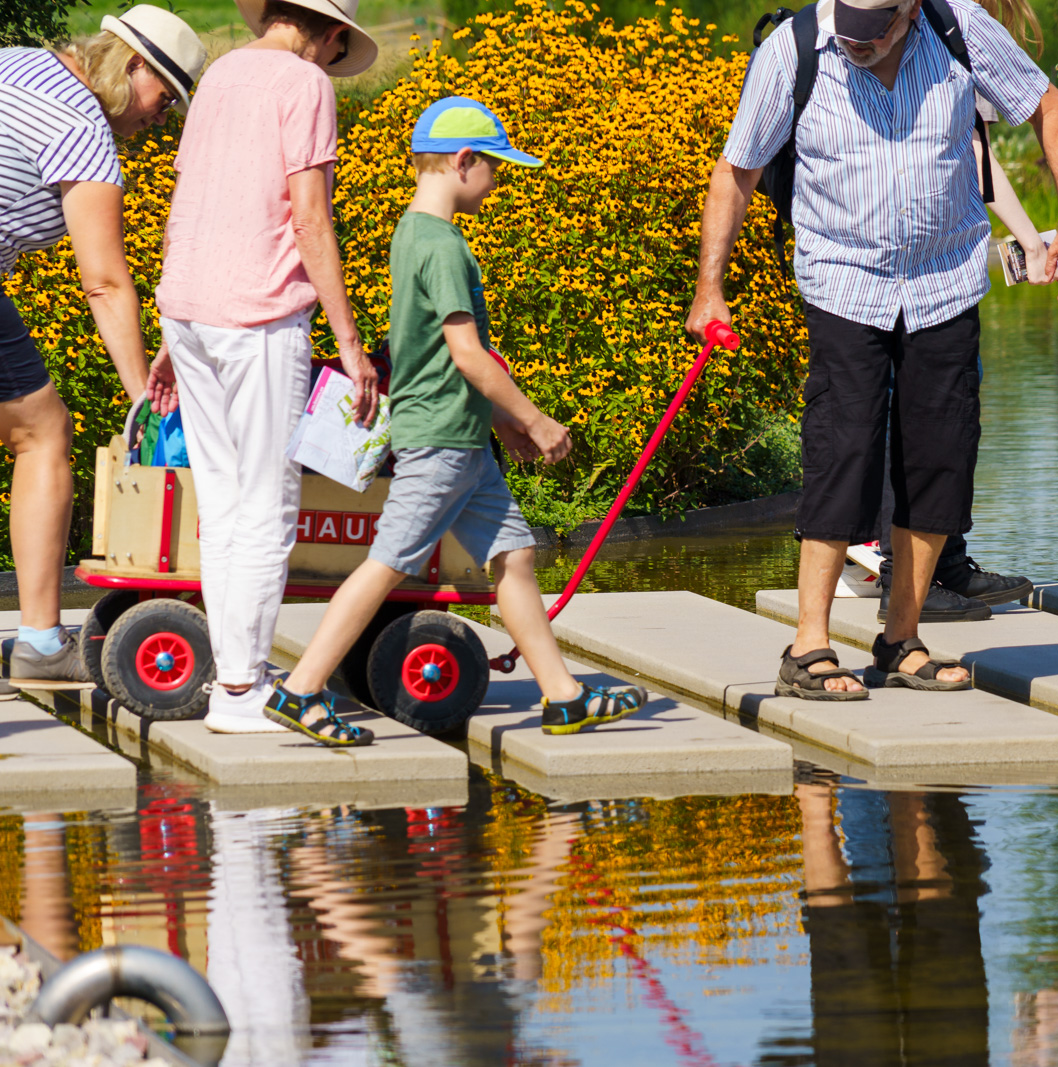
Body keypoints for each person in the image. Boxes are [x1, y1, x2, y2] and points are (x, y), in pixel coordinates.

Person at [688, 0, 1058, 698]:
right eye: (847, 29)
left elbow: (1048, 106)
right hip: (844, 282)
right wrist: (709, 287)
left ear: (907, 12)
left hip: (945, 282)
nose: (855, 45)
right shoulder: (795, 49)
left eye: (870, 35)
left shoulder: (958, 28)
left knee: (940, 458)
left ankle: (900, 637)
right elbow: (737, 170)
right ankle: (808, 643)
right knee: (842, 449)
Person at [266, 97, 647, 745]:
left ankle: (563, 698)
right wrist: (535, 417)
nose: (497, 182)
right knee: (386, 564)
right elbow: (468, 351)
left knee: (516, 556)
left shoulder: (412, 232)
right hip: (439, 442)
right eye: (493, 167)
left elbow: (437, 357)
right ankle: (300, 690)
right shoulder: (443, 248)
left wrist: (499, 424)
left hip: (461, 440)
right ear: (464, 161)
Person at [156, 0, 381, 734]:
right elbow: (309, 216)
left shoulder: (221, 73)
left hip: (188, 308)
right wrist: (347, 338)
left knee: (221, 507)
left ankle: (234, 676)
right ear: (333, 35)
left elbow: (186, 200)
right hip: (257, 314)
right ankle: (242, 690)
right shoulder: (303, 84)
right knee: (267, 509)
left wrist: (171, 328)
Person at [0, 6, 200, 695]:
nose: (161, 117)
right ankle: (38, 641)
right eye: (164, 97)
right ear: (133, 66)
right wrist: (146, 392)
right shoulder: (85, 130)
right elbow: (106, 282)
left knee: (35, 426)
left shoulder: (20, 62)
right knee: (44, 434)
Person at [870, 0, 1047, 625]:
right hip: (904, 270)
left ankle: (947, 562)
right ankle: (908, 575)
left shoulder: (951, 30)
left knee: (949, 418)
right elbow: (976, 156)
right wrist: (1028, 235)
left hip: (936, 263)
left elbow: (974, 151)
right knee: (922, 419)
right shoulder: (940, 32)